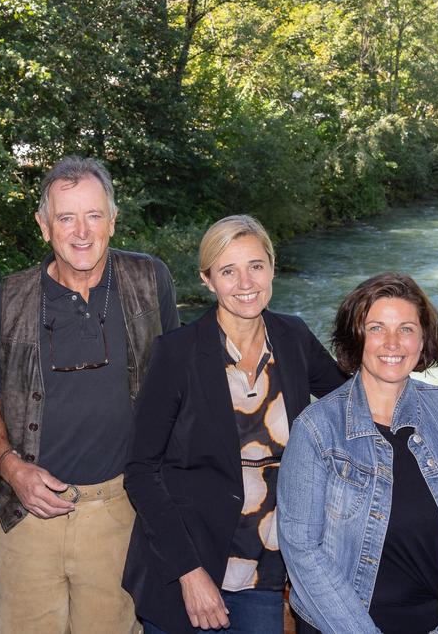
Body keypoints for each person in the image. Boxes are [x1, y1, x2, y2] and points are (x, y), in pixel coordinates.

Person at [0, 156, 180, 633]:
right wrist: (12, 468)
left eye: (94, 215)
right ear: (44, 227)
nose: (81, 232)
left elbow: (178, 388)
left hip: (121, 513)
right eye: (66, 218)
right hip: (28, 517)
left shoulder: (151, 282)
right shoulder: (11, 298)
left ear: (113, 220)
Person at [124, 215, 348, 634]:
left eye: (256, 266)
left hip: (266, 567)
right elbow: (140, 471)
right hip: (189, 564)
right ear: (208, 280)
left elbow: (350, 402)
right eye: (229, 271)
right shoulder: (177, 353)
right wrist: (189, 574)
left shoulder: (293, 337)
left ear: (272, 268)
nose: (246, 283)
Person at [277, 272, 438, 634]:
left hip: (437, 624)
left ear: (423, 339)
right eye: (376, 328)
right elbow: (302, 551)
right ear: (356, 338)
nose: (392, 343)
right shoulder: (317, 428)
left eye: (406, 328)